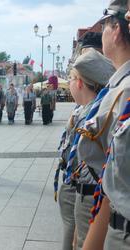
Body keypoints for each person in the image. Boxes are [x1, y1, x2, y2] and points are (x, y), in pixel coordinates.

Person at [77, 1, 130, 249]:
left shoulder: (125, 92)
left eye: (105, 27)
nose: (102, 35)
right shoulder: (117, 88)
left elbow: (115, 175)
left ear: (116, 31)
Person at [58, 49, 115, 250]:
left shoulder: (92, 115)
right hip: (80, 187)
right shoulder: (84, 110)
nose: (70, 83)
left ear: (80, 83)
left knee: (80, 239)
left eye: (71, 78)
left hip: (86, 189)